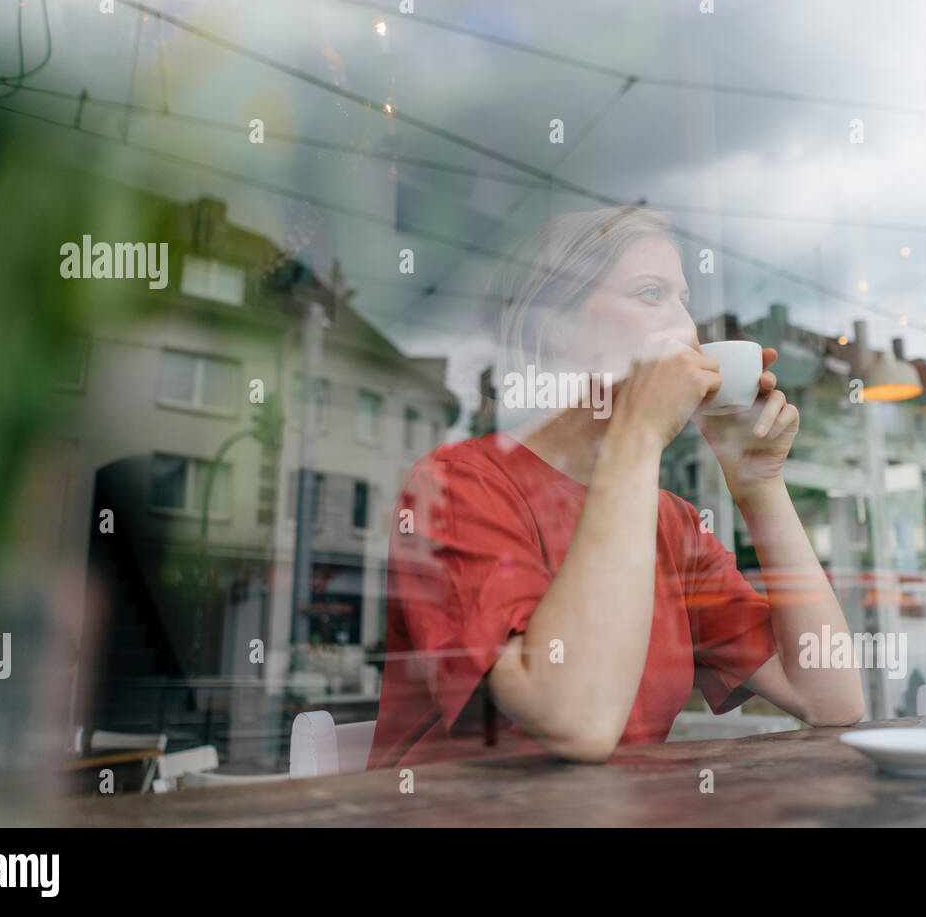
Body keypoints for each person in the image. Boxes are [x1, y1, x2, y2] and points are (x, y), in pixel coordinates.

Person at [368, 205, 863, 769]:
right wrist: (641, 433)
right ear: (555, 324)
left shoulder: (671, 524)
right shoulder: (458, 486)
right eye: (651, 294)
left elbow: (831, 698)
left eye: (684, 300)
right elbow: (574, 721)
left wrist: (759, 483)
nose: (685, 329)